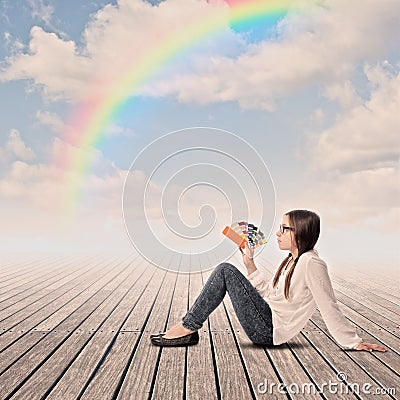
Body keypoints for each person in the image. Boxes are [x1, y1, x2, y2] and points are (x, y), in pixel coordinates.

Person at [150, 210, 387, 353]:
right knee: (227, 270)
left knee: (224, 270)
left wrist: (352, 342)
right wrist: (250, 263)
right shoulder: (293, 261)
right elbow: (269, 295)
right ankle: (189, 328)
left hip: (268, 329)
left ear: (300, 233)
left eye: (284, 229)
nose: (278, 233)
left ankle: (188, 327)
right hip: (267, 320)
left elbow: (329, 304)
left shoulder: (312, 264)